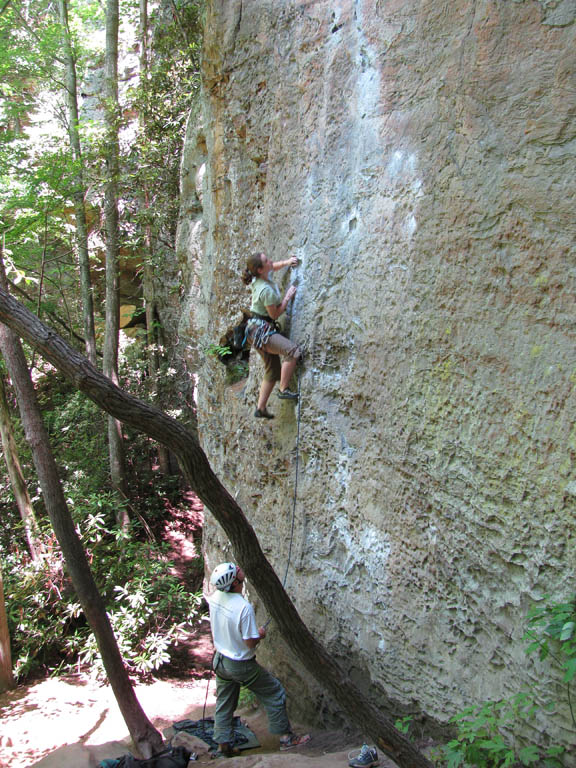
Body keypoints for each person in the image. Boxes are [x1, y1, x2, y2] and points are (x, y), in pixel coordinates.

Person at [207, 562, 311, 757]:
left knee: (225, 702)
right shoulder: (243, 607)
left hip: (220, 661)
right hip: (239, 664)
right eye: (235, 570)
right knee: (274, 692)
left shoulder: (215, 598)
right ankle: (286, 738)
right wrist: (260, 634)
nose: (239, 568)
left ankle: (223, 745)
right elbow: (250, 643)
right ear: (235, 581)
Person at [241, 253, 302, 419]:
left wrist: (287, 262)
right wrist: (287, 298)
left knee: (272, 370)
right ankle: (283, 390)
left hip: (254, 330)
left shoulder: (258, 277)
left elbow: (274, 266)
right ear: (260, 269)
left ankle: (260, 408)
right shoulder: (265, 290)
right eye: (266, 260)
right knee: (293, 351)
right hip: (261, 332)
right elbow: (274, 315)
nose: (270, 261)